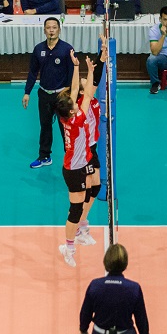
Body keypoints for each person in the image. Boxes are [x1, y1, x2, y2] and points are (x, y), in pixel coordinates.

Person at [55, 53, 94, 267]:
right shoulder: (77, 120)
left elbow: (73, 91)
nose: (75, 99)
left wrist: (76, 66)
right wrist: (91, 71)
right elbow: (86, 94)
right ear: (72, 110)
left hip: (82, 162)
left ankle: (80, 231)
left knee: (87, 193)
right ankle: (68, 247)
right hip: (73, 168)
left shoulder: (65, 116)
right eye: (74, 102)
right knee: (75, 209)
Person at [22, 17, 74, 168]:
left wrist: (70, 93)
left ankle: (70, 158)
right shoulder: (39, 49)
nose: (51, 30)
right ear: (44, 30)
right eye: (48, 28)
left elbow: (72, 74)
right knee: (45, 126)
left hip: (62, 96)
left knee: (66, 128)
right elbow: (33, 72)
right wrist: (27, 92)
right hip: (44, 94)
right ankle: (44, 156)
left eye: (54, 27)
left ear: (59, 29)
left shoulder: (67, 49)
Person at [72, 37, 109, 246]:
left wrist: (102, 56)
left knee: (95, 188)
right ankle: (79, 225)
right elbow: (90, 81)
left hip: (92, 147)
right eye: (84, 83)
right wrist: (95, 63)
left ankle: (81, 224)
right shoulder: (81, 101)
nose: (89, 83)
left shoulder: (92, 99)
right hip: (83, 151)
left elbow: (94, 78)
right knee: (87, 188)